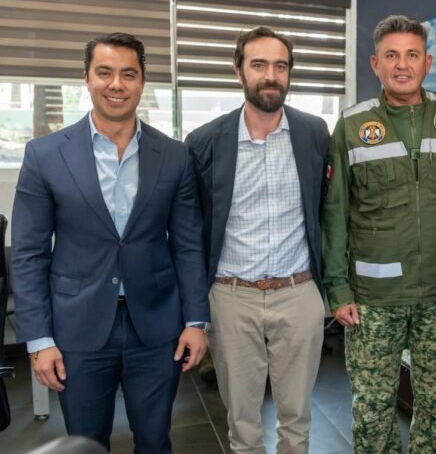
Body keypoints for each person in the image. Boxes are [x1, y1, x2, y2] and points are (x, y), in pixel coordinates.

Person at [12, 32, 210, 453]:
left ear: (142, 82)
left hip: (156, 327)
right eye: (104, 73)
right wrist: (39, 340)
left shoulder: (174, 156)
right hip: (77, 328)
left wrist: (196, 322)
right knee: (86, 444)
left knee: (155, 441)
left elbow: (188, 245)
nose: (116, 84)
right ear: (86, 78)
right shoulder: (45, 155)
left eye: (128, 74)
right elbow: (29, 255)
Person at [322, 14, 436, 453]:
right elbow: (335, 212)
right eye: (391, 55)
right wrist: (338, 289)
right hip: (373, 300)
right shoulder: (352, 125)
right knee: (371, 412)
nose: (402, 65)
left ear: (427, 62)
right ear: (376, 64)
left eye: (411, 55)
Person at [185, 26, 329, 454]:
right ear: (238, 71)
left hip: (298, 291)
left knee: (298, 417)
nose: (271, 75)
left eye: (281, 66)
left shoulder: (314, 132)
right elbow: (191, 230)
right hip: (232, 296)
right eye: (259, 65)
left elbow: (327, 207)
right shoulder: (205, 142)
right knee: (242, 421)